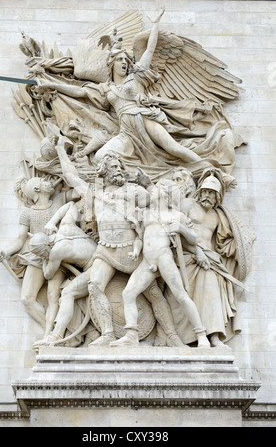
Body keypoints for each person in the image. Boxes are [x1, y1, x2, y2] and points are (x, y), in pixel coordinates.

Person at [43, 137, 187, 347]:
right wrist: (60, 149)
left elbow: (159, 203)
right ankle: (106, 333)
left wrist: (149, 184)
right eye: (113, 166)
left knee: (154, 292)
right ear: (103, 171)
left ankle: (172, 336)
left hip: (132, 250)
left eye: (120, 166)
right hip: (106, 251)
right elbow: (72, 177)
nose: (118, 169)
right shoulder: (95, 194)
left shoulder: (133, 191)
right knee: (94, 286)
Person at [37, 8, 213, 170]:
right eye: (120, 60)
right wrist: (53, 86)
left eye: (126, 61)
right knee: (99, 157)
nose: (124, 63)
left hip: (144, 119)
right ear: (112, 64)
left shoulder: (136, 77)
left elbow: (150, 51)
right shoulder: (107, 89)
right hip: (126, 131)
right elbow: (80, 92)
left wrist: (155, 24)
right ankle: (130, 177)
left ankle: (210, 170)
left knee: (172, 147)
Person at [110, 178, 210, 348]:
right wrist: (135, 251)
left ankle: (201, 336)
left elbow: (193, 239)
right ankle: (131, 335)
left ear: (164, 193)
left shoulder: (176, 216)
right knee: (128, 294)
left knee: (181, 296)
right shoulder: (146, 214)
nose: (151, 191)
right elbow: (140, 238)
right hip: (148, 261)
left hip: (164, 258)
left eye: (155, 189)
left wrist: (181, 228)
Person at [167, 168, 249, 348]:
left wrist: (242, 244)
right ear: (199, 191)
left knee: (212, 293)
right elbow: (173, 226)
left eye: (211, 194)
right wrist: (197, 251)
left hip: (210, 262)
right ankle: (183, 336)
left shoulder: (217, 216)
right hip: (186, 256)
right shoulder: (187, 205)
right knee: (182, 296)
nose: (206, 196)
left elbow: (222, 244)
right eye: (204, 192)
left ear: (218, 197)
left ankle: (214, 337)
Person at [0, 176, 78, 339]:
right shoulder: (28, 213)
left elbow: (77, 191)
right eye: (43, 181)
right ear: (37, 190)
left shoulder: (59, 201)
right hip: (36, 258)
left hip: (56, 256)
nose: (48, 182)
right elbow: (20, 239)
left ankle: (53, 334)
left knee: (53, 296)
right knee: (26, 298)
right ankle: (52, 331)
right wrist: (4, 251)